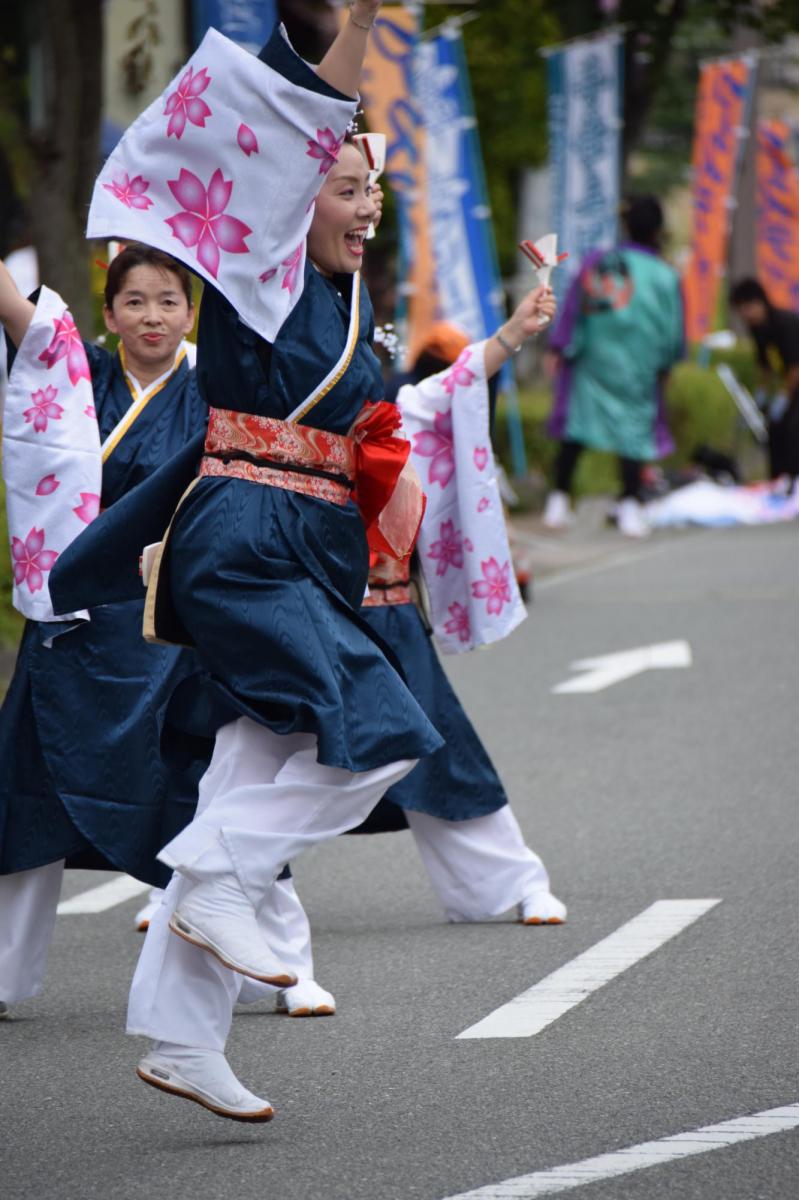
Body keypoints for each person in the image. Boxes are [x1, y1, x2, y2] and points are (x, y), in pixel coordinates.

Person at [49, 4, 442, 1121]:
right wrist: (360, 21)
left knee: (247, 776)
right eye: (344, 186)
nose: (365, 207)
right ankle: (219, 874)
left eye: (374, 191)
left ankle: (180, 1037)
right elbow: (307, 123)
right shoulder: (259, 264)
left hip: (300, 549)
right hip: (245, 541)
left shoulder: (350, 301)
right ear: (291, 192)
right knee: (383, 735)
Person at [0, 244, 209, 1020]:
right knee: (25, 794)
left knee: (201, 795)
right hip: (72, 620)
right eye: (135, 301)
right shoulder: (74, 370)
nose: (151, 316)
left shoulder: (215, 387)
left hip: (167, 626)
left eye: (168, 301)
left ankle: (275, 966)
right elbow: (19, 313)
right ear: (109, 312)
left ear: (191, 312)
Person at [355, 319, 566, 927]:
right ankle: (188, 889)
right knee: (245, 757)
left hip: (390, 614)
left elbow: (459, 379)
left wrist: (517, 331)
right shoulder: (281, 415)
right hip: (305, 616)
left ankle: (509, 882)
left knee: (442, 751)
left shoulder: (400, 412)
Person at [542, 195, 684, 538]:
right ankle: (631, 504)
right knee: (633, 434)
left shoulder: (598, 262)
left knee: (576, 427)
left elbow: (573, 308)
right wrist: (666, 366)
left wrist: (559, 347)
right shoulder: (665, 276)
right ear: (659, 230)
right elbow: (673, 331)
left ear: (626, 224)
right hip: (638, 369)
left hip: (592, 362)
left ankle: (558, 499)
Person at [729, 277, 799, 483]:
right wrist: (761, 397)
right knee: (774, 427)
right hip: (790, 385)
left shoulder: (786, 324)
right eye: (740, 309)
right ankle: (777, 480)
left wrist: (783, 398)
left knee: (794, 427)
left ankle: (793, 481)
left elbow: (796, 367)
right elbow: (764, 366)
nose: (744, 314)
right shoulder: (758, 329)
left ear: (760, 302)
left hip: (795, 382)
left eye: (747, 307)